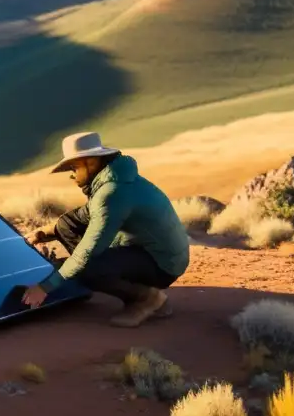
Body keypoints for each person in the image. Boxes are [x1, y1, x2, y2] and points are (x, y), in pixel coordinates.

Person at [20, 132, 190, 328]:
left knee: (88, 268)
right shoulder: (112, 182)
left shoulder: (112, 193)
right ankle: (113, 281)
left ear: (90, 163)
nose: (71, 175)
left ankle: (148, 299)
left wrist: (45, 287)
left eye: (74, 167)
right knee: (66, 224)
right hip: (146, 249)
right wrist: (43, 233)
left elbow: (87, 252)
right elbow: (79, 217)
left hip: (163, 263)